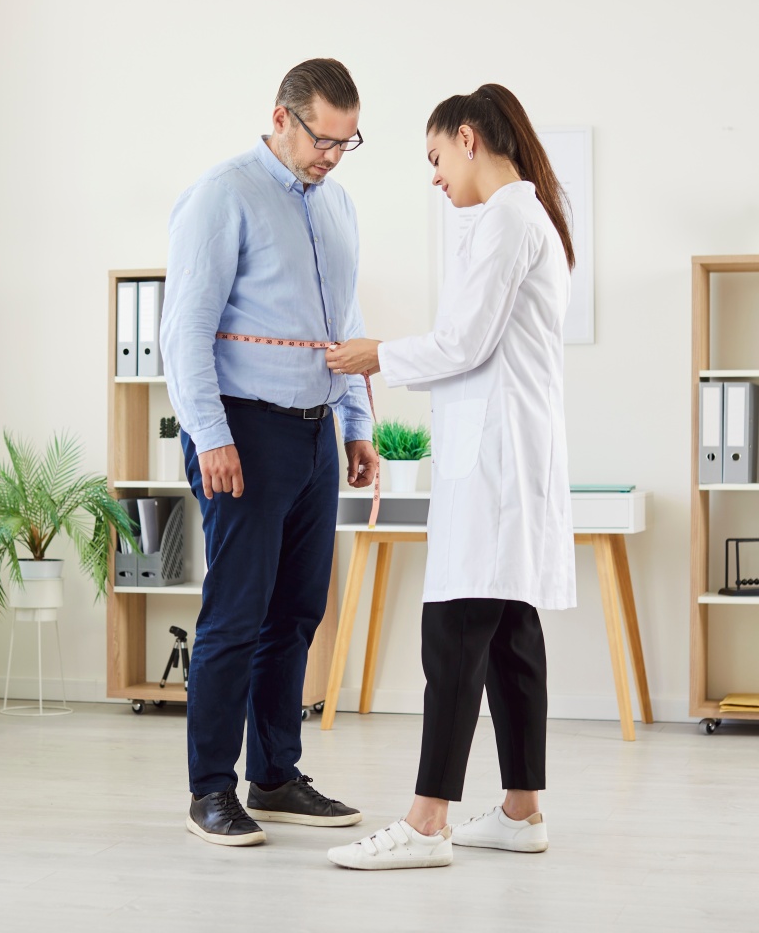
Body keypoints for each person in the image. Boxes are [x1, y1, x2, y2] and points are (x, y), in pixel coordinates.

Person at [324, 83, 577, 870]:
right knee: (510, 637)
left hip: (495, 461)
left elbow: (465, 341)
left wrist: (377, 355)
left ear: (468, 139)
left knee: (456, 633)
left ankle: (427, 822)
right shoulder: (524, 218)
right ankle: (521, 811)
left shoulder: (507, 220)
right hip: (505, 455)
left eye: (436, 156)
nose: (434, 175)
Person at [160, 58, 378, 848]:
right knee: (237, 614)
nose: (332, 157)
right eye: (323, 139)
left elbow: (343, 321)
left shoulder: (337, 203)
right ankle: (211, 790)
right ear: (282, 118)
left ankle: (277, 776)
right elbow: (185, 329)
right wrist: (211, 434)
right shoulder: (224, 195)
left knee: (296, 613)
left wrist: (355, 423)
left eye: (347, 143)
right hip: (243, 431)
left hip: (314, 432)